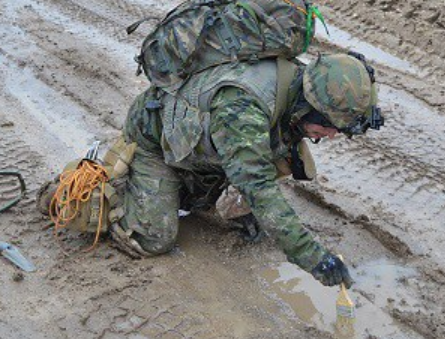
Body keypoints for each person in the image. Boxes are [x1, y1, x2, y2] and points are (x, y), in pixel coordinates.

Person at [107, 52, 384, 288]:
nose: (332, 135)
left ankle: (193, 186)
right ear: (308, 108)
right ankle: (118, 186)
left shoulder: (309, 84)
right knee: (155, 239)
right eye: (328, 127)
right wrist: (315, 258)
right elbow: (258, 186)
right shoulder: (244, 107)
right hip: (155, 140)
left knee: (277, 157)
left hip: (206, 141)